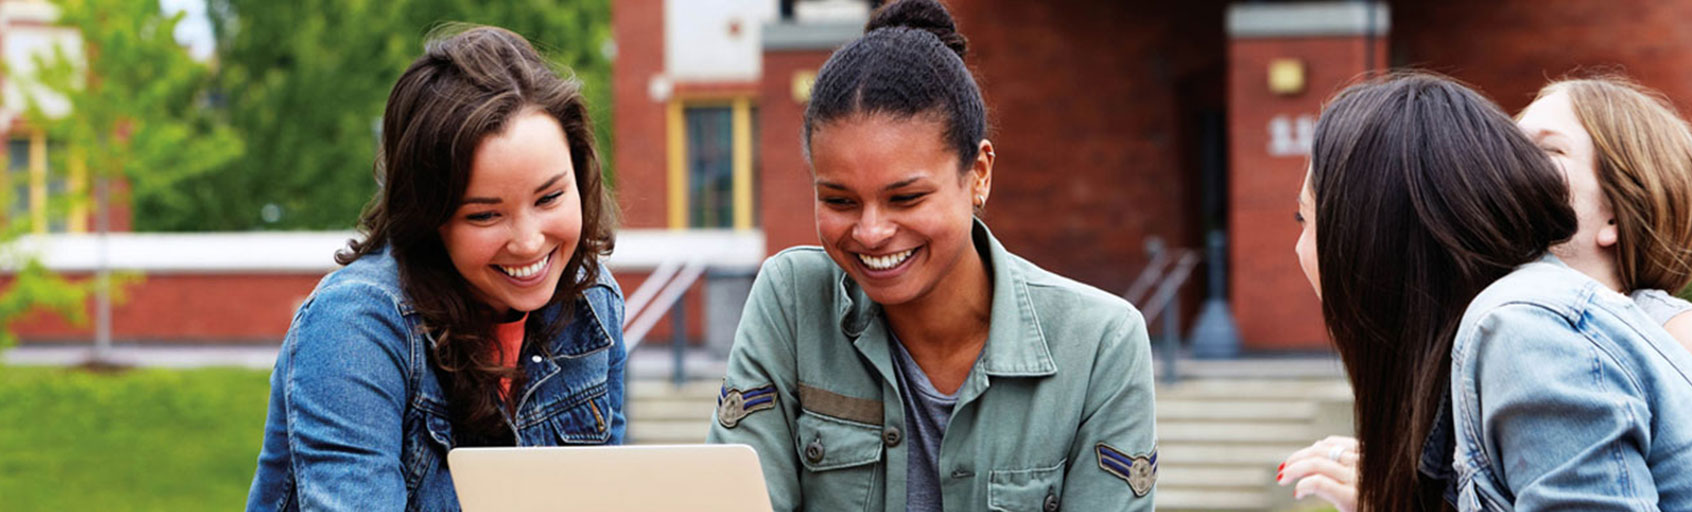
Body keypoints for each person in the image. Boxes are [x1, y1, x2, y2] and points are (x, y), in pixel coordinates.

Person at [1278, 72, 1692, 511]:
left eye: (1540, 155)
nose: (1502, 172)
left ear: (1616, 214)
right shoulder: (1507, 328)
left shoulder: (1532, 328)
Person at [705, 1, 1158, 510]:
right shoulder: (791, 301)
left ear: (979, 173)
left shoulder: (1100, 345)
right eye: (839, 200)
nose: (871, 232)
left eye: (906, 198)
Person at [245, 25, 626, 511]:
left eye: (550, 197)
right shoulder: (353, 329)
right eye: (485, 215)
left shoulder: (592, 301)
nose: (529, 242)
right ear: (429, 219)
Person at [1518, 77, 1692, 424]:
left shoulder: (1686, 341)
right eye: (1510, 144)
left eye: (1548, 150)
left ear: (1614, 218)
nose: (1506, 163)